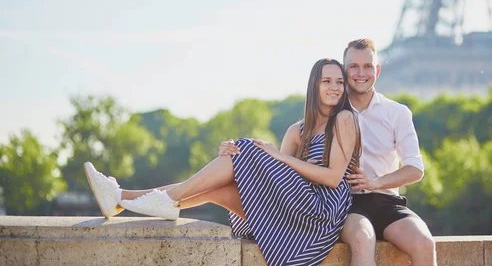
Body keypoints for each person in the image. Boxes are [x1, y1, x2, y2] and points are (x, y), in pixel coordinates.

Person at [84, 58, 361, 266]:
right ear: (315, 85)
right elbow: (277, 181)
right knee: (219, 186)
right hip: (293, 210)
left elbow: (333, 178)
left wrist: (275, 155)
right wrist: (232, 155)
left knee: (245, 149)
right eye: (327, 81)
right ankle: (121, 198)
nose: (334, 87)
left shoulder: (344, 119)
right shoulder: (296, 131)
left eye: (339, 82)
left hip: (320, 214)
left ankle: (160, 198)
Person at [219, 39, 436, 266]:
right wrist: (238, 151)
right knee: (363, 237)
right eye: (353, 66)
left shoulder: (397, 113)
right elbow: (282, 172)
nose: (361, 73)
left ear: (377, 70)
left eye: (368, 66)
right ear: (344, 71)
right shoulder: (326, 117)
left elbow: (415, 169)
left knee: (424, 243)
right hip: (346, 205)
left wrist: (376, 182)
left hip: (388, 202)